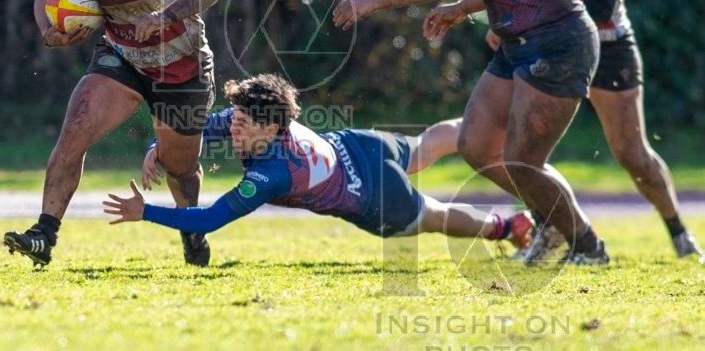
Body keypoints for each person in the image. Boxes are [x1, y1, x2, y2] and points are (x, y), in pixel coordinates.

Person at [332, 0, 609, 265]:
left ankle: (586, 243)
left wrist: (372, 1)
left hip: (558, 43)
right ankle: (553, 227)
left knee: (523, 159)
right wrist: (461, 9)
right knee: (476, 145)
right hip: (519, 45)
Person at [4, 0, 229, 267]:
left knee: (179, 167)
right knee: (74, 130)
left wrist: (165, 16)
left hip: (181, 64)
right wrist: (47, 30)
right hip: (121, 57)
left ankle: (191, 230)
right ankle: (43, 234)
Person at [516, 0, 702, 262]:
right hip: (545, 42)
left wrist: (535, 19)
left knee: (631, 154)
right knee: (522, 149)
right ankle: (551, 233)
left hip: (607, 44)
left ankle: (678, 230)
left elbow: (599, 7)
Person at [103, 73, 533, 253]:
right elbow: (195, 133)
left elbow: (211, 218)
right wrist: (155, 151)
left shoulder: (273, 174)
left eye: (242, 123)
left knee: (435, 216)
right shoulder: (248, 120)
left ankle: (505, 227)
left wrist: (146, 212)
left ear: (270, 129)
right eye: (234, 118)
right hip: (360, 146)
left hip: (372, 197)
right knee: (422, 148)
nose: (232, 128)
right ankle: (488, 126)